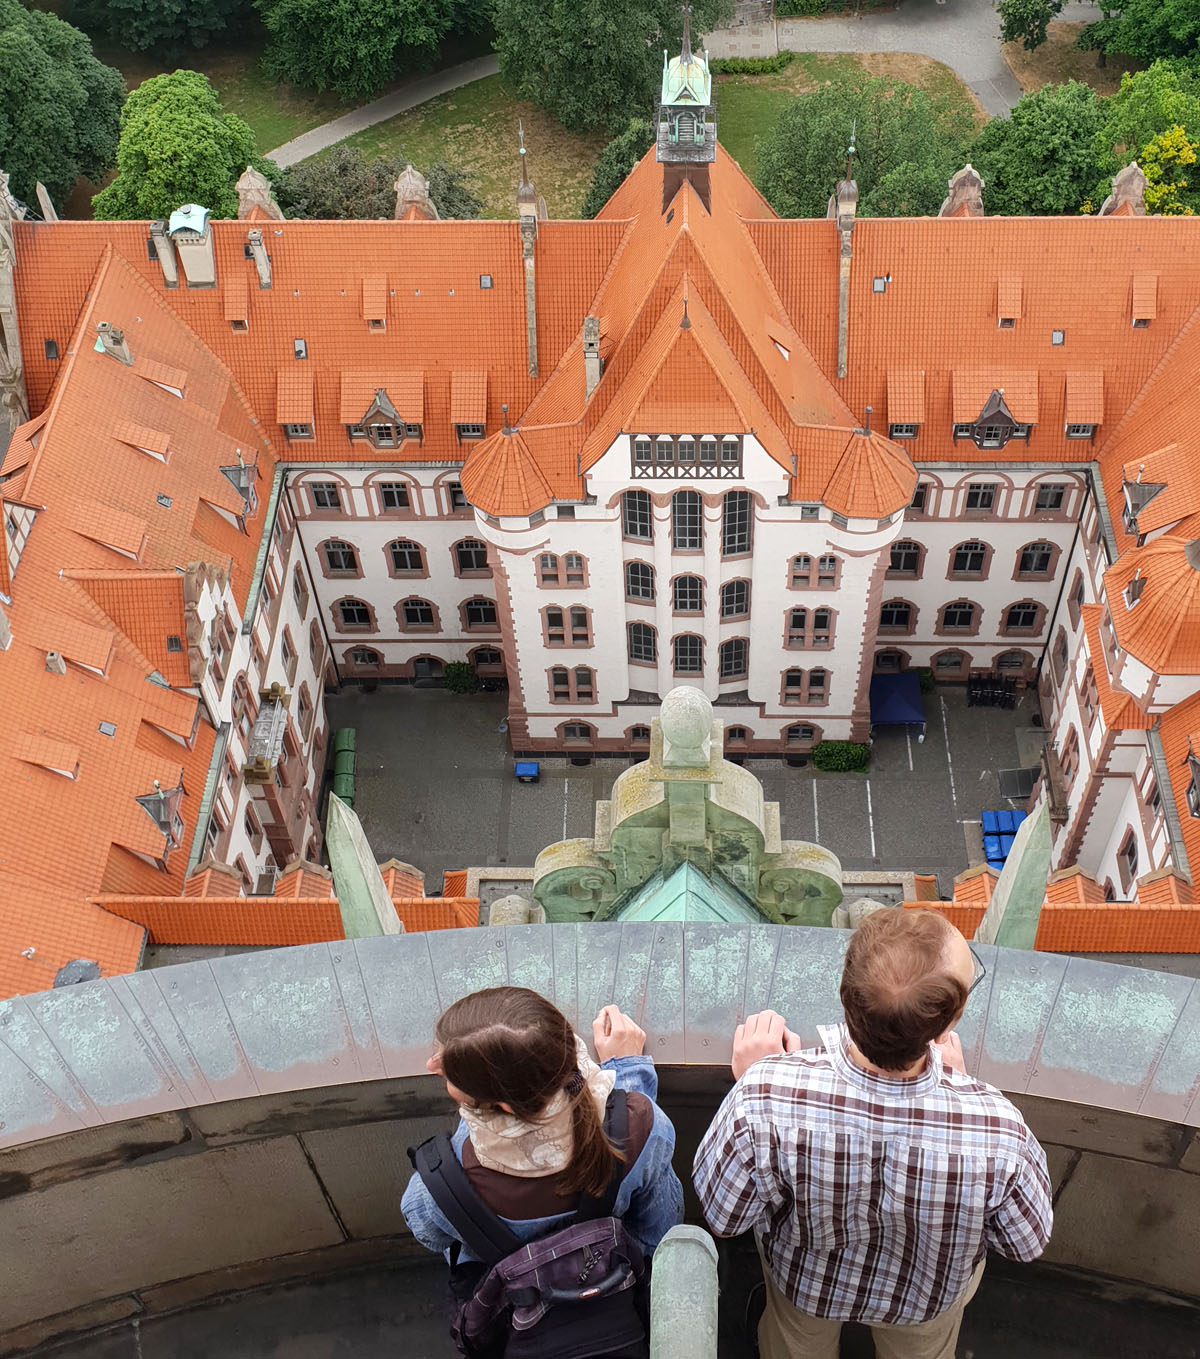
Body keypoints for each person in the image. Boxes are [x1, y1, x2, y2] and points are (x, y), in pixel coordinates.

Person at [693, 908, 1053, 1359]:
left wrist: (758, 1077)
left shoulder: (765, 1096)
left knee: (795, 1347)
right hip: (925, 1300)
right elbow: (1025, 1243)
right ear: (946, 1025)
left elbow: (725, 1220)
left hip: (807, 1283)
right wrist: (965, 1090)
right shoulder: (998, 1131)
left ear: (847, 993)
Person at [402, 985, 683, 1264]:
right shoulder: (644, 1127)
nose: (431, 1065)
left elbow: (431, 1235)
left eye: (451, 1075)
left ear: (505, 1107)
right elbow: (656, 1232)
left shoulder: (444, 1183)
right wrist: (630, 1069)